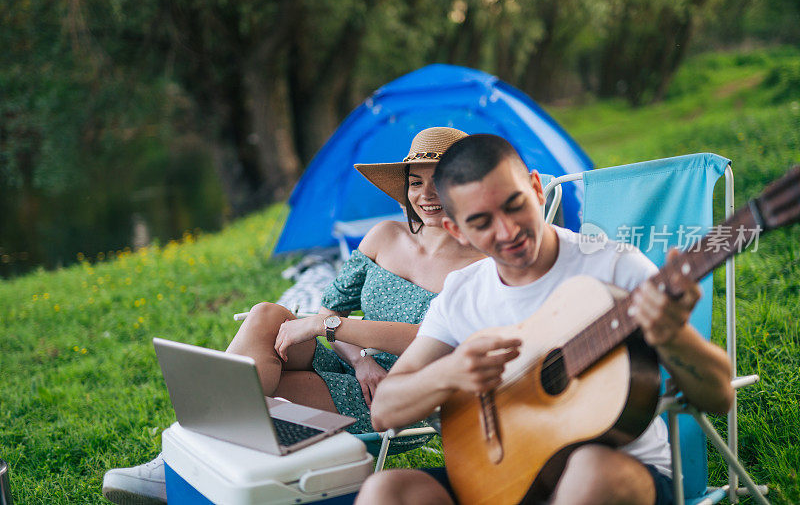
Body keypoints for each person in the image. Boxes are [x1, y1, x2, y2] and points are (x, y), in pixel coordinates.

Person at [101, 127, 485, 504]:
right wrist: (361, 357)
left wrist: (329, 327)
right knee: (267, 315)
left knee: (253, 400)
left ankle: (178, 469)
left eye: (440, 181)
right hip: (355, 360)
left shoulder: (481, 265)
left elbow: (433, 337)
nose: (426, 195)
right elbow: (331, 307)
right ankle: (178, 463)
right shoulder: (384, 236)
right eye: (416, 182)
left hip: (398, 394)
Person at [356, 134, 734, 505]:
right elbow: (385, 411)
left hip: (619, 475)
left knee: (589, 469)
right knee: (386, 492)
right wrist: (450, 372)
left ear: (536, 188)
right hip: (501, 482)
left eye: (514, 204)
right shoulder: (462, 293)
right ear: (457, 230)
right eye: (482, 221)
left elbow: (718, 397)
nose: (508, 231)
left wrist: (673, 337)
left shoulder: (613, 265)